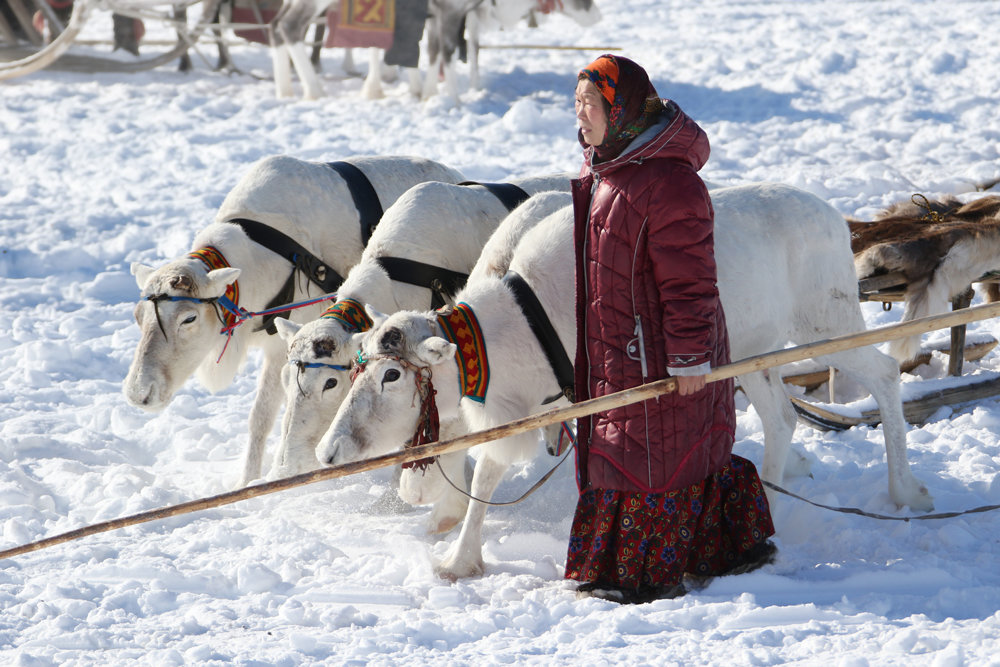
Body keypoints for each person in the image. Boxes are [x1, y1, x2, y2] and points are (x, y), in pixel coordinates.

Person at [565, 54, 776, 604]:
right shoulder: (609, 170)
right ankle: (711, 547)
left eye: (588, 104)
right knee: (640, 452)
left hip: (661, 354)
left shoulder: (669, 183)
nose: (579, 117)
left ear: (622, 107)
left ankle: (643, 571)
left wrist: (689, 361)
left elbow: (690, 286)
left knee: (657, 457)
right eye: (577, 105)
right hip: (619, 351)